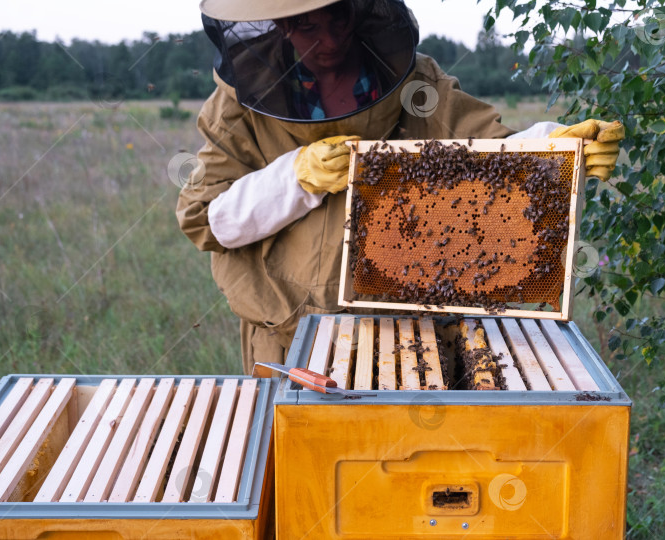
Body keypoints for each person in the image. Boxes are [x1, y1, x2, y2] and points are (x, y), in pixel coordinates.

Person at [176, 0, 625, 375]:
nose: (329, 41)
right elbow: (207, 221)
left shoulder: (413, 82)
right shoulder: (240, 103)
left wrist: (552, 146)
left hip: (408, 336)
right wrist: (294, 177)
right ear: (281, 25)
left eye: (338, 19)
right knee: (298, 472)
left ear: (360, 11)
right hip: (287, 339)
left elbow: (489, 149)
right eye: (308, 25)